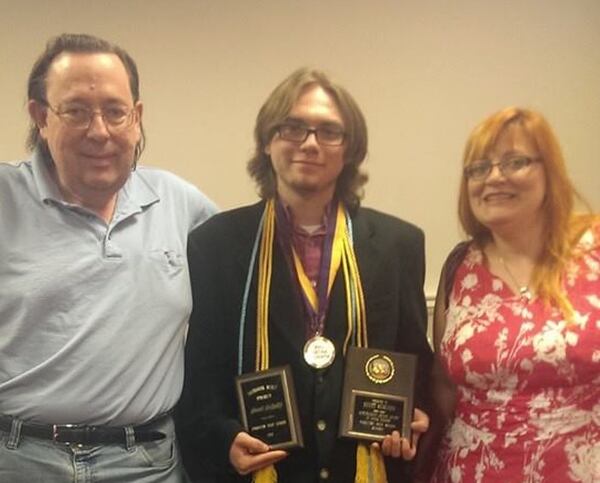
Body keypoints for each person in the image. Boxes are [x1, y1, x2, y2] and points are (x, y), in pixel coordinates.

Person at [175, 67, 432, 483]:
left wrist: (416, 413)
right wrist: (224, 438)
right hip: (266, 469)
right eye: (293, 128)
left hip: (361, 469)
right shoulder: (216, 245)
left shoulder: (397, 245)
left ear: (350, 149)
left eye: (330, 132)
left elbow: (415, 359)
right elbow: (200, 377)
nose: (310, 144)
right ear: (267, 141)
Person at [0, 33, 217, 482]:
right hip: (18, 461)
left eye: (115, 112)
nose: (98, 131)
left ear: (136, 118)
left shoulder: (179, 204)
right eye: (76, 110)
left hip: (147, 465)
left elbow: (263, 284)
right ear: (40, 117)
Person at [426, 107, 599, 482]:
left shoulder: (595, 250)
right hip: (469, 472)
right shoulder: (460, 265)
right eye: (478, 168)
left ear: (548, 170)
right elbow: (443, 384)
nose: (494, 177)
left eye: (514, 162)